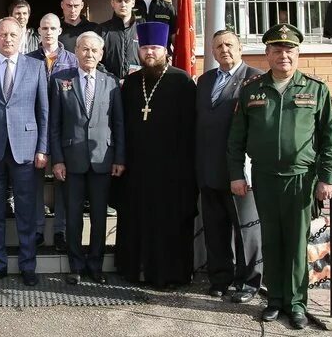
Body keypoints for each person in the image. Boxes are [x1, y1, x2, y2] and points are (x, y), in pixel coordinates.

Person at [228, 23, 332, 329]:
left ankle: (296, 304)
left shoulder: (315, 90)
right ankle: (275, 300)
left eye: (289, 50)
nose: (283, 56)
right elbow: (236, 139)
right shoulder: (252, 89)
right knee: (271, 241)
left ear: (298, 54)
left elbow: (331, 140)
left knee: (295, 243)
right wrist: (236, 175)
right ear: (267, 54)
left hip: (301, 179)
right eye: (277, 50)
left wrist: (327, 178)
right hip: (264, 177)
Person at [116, 21, 197, 289]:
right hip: (138, 168)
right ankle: (134, 271)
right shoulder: (130, 83)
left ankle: (168, 274)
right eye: (146, 47)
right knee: (138, 219)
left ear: (165, 50)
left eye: (155, 48)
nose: (150, 52)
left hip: (171, 170)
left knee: (167, 222)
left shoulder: (181, 80)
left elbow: (190, 128)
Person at [0, 17, 49, 287]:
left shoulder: (37, 67)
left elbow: (44, 111)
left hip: (25, 149)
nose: (8, 39)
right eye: (3, 35)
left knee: (26, 211)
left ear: (22, 36)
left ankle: (28, 265)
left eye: (13, 35)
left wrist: (43, 148)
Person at [49, 31, 125, 285]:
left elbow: (118, 124)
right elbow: (55, 124)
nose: (89, 54)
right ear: (77, 52)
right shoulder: (61, 80)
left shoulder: (111, 82)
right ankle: (76, 265)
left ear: (101, 54)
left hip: (103, 158)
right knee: (72, 216)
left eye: (94, 50)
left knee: (99, 217)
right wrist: (57, 159)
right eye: (84, 49)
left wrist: (119, 158)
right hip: (71, 160)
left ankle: (95, 264)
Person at [195, 30, 263, 303]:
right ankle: (220, 278)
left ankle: (248, 282)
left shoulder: (254, 78)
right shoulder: (205, 80)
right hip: (208, 167)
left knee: (246, 228)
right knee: (215, 228)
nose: (224, 50)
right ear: (212, 52)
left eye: (229, 45)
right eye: (218, 46)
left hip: (238, 170)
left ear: (240, 47)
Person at [26, 13, 78, 251]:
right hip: (34, 127)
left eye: (53, 28)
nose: (48, 32)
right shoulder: (28, 60)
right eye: (44, 28)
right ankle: (37, 229)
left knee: (61, 178)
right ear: (38, 31)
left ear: (60, 31)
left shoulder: (72, 60)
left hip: (63, 128)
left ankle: (61, 230)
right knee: (34, 181)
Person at [99, 0, 141, 81]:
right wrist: (111, 79)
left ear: (133, 3)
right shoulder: (102, 30)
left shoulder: (142, 28)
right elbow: (96, 60)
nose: (123, 5)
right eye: (119, 1)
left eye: (127, 1)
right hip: (110, 84)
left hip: (137, 83)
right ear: (112, 3)